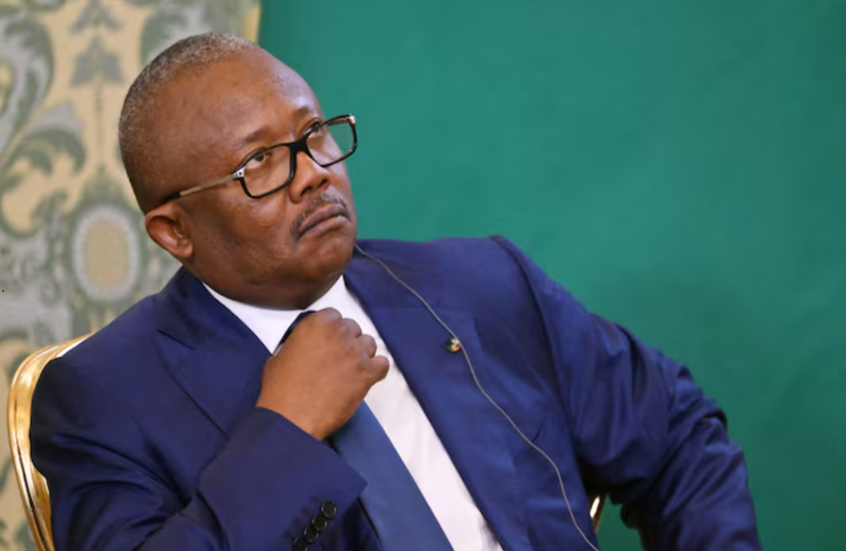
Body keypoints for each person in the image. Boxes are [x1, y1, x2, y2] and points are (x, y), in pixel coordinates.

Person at [30, 33, 761, 551]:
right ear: (174, 230)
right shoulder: (103, 396)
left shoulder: (481, 283)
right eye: (260, 164)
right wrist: (285, 430)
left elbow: (677, 434)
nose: (315, 172)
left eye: (314, 133)